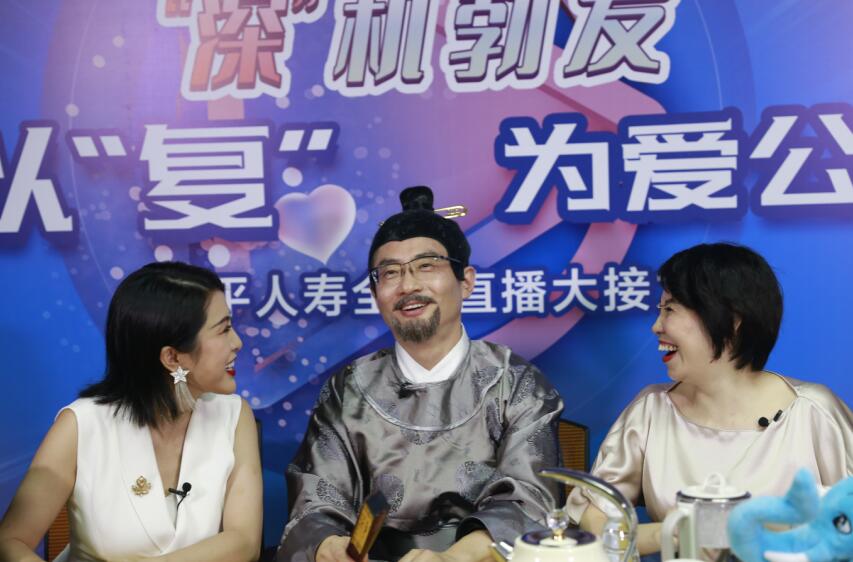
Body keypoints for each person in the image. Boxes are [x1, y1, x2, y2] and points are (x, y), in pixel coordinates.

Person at [278, 186, 563, 562]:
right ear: (376, 294)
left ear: (466, 281)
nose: (408, 286)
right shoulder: (349, 389)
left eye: (426, 266)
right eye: (390, 273)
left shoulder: (516, 383)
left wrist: (453, 558)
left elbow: (530, 500)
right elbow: (316, 497)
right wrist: (328, 546)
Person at [567, 243, 853, 554]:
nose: (656, 326)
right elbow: (594, 519)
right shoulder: (650, 410)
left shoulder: (813, 412)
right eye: (659, 310)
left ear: (732, 319)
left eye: (670, 309)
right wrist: (678, 533)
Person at [0, 262, 263, 562]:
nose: (237, 343)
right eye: (224, 329)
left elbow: (244, 542)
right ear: (172, 358)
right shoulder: (82, 425)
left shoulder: (234, 416)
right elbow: (11, 541)